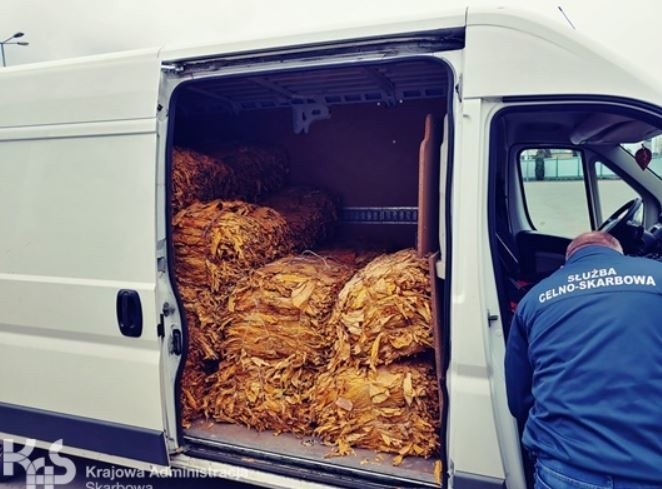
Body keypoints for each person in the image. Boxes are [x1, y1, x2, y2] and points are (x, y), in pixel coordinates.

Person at [505, 231, 662, 489]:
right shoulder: (656, 275)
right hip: (650, 469)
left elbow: (518, 399)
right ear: (618, 252)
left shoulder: (534, 299)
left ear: (566, 263)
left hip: (566, 469)